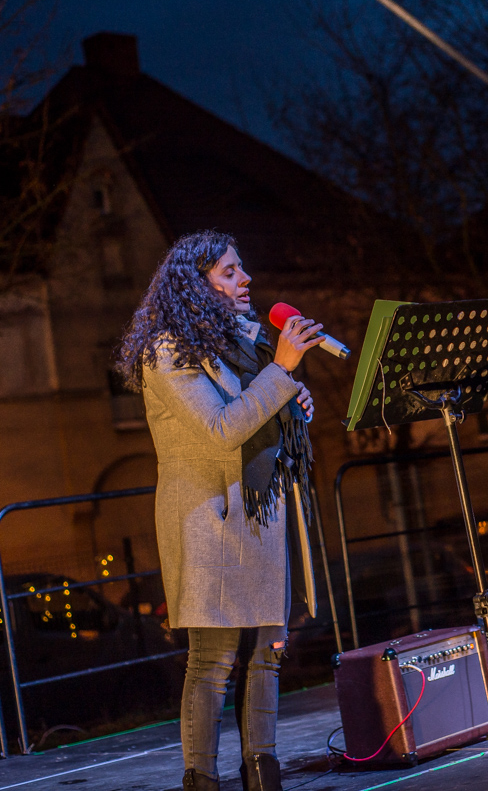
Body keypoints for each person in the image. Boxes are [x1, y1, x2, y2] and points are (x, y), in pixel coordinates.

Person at [115, 231, 324, 791]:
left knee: (268, 653)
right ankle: (200, 779)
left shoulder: (247, 343)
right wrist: (279, 376)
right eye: (231, 272)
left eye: (242, 270)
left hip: (259, 512)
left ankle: (263, 768)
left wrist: (293, 402)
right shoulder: (168, 351)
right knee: (213, 660)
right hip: (210, 518)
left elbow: (259, 414)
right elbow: (221, 429)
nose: (245, 280)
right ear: (196, 284)